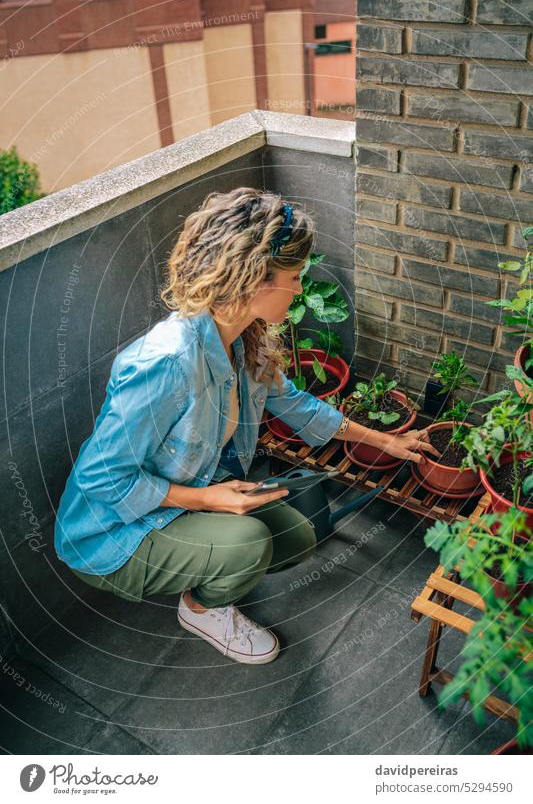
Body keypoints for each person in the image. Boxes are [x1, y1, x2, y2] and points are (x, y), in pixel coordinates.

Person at [54, 187, 439, 665]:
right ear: (254, 279)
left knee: (297, 538)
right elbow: (101, 479)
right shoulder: (168, 364)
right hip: (113, 533)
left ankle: (209, 561)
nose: (300, 289)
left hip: (184, 494)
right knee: (251, 544)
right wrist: (209, 499)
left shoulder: (243, 340)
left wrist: (388, 440)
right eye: (294, 278)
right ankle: (201, 608)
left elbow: (296, 405)